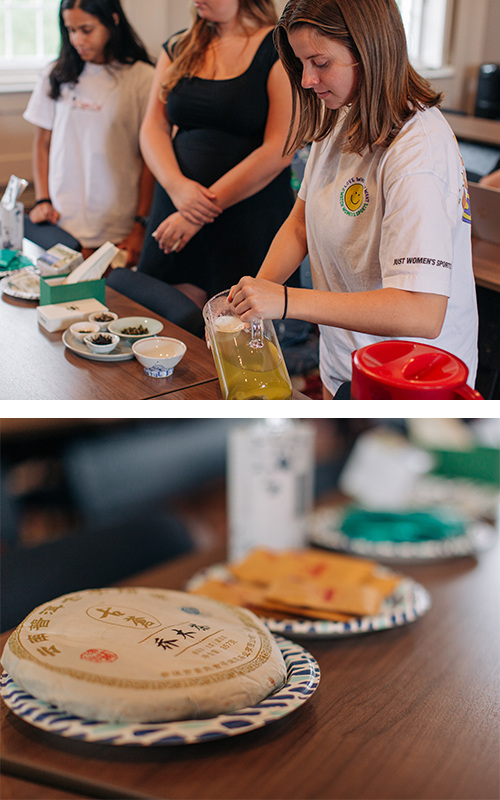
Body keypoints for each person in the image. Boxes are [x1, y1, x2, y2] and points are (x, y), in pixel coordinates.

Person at [228, 0, 479, 398]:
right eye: (301, 63)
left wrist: (286, 300)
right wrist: (255, 297)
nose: (307, 79)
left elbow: (422, 311)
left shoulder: (419, 152)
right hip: (346, 361)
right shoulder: (342, 115)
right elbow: (300, 225)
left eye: (320, 63)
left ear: (369, 50)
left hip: (413, 377)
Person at [137, 0, 296, 307]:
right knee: (163, 316)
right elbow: (153, 127)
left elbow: (280, 147)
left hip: (247, 212)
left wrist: (199, 211)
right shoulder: (179, 46)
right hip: (176, 202)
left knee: (236, 321)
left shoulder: (277, 47)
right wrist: (177, 188)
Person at [24, 0, 155, 265]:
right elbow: (43, 143)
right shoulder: (56, 75)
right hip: (61, 219)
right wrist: (42, 199)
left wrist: (141, 223)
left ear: (112, 21)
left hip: (118, 223)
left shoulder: (143, 78)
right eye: (70, 30)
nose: (77, 40)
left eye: (86, 29)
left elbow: (149, 159)